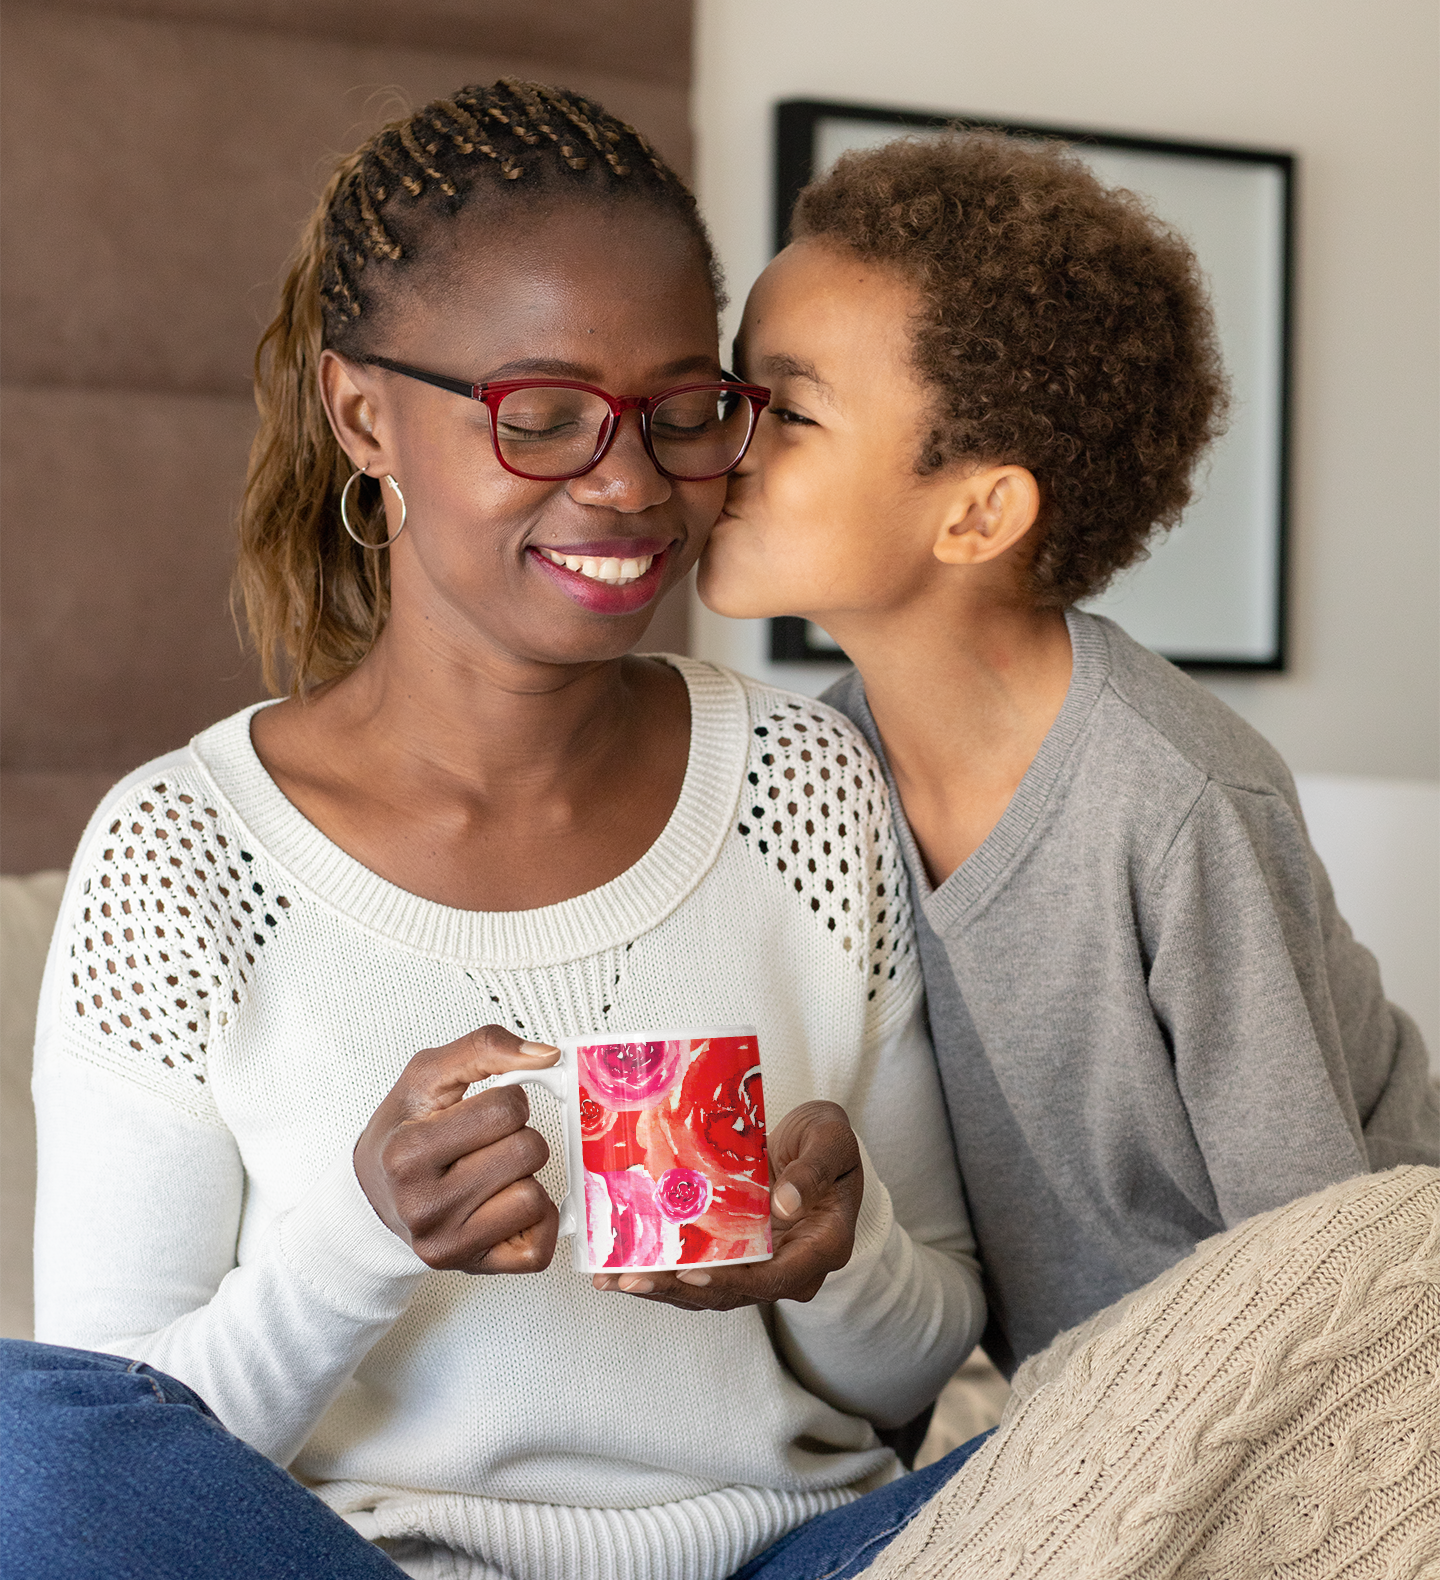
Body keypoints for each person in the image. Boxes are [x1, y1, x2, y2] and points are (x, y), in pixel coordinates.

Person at [2, 83, 985, 1580]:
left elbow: (922, 1366)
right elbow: (111, 1435)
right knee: (23, 1438)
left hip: (795, 1560)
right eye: (540, 416)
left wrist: (837, 1261)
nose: (631, 484)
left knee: (1234, 1377)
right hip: (373, 1569)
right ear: (363, 414)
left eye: (682, 412)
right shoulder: (181, 857)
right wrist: (357, 1234)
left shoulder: (805, 783)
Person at [700, 130, 1440, 1380]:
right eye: (734, 392)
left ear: (979, 511)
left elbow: (1323, 1263)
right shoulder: (812, 775)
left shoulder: (1179, 795)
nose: (727, 440)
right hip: (1067, 1401)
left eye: (792, 410)